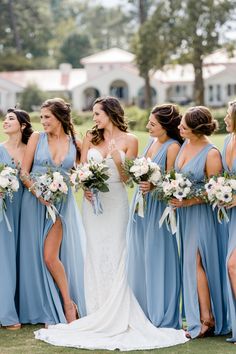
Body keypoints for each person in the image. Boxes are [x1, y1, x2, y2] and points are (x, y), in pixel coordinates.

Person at [35, 97, 188, 350]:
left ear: (111, 113)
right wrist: (84, 185)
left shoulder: (131, 140)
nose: (94, 118)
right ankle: (96, 309)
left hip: (116, 203)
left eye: (97, 113)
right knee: (95, 253)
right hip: (92, 204)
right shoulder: (90, 138)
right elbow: (80, 169)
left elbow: (129, 178)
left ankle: (118, 309)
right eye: (93, 114)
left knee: (117, 253)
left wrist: (118, 156)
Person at [19, 98, 86, 325]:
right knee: (34, 257)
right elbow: (24, 173)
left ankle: (68, 303)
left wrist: (77, 184)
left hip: (60, 206)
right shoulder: (37, 138)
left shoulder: (75, 142)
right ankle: (45, 306)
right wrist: (39, 193)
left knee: (50, 257)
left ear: (60, 117)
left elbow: (80, 175)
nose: (43, 121)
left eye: (47, 117)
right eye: (41, 116)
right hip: (35, 203)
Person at [171, 106, 228, 338]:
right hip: (185, 215)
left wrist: (188, 201)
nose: (179, 128)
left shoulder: (211, 153)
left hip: (202, 214)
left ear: (196, 129)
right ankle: (199, 315)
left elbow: (214, 192)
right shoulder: (185, 144)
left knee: (196, 261)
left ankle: (207, 318)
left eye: (183, 126)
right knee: (190, 261)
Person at [127, 104, 183, 329]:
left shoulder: (172, 147)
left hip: (158, 208)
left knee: (157, 256)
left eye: (152, 124)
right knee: (140, 255)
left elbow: (172, 184)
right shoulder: (151, 142)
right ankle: (143, 309)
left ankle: (162, 311)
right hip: (141, 205)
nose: (147, 126)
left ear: (165, 126)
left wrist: (153, 186)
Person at [0, 108, 33, 330]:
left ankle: (25, 307)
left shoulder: (32, 150)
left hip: (27, 208)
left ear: (22, 125)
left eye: (11, 119)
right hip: (4, 209)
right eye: (5, 119)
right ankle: (6, 313)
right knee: (5, 257)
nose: (5, 121)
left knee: (25, 257)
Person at [222, 100, 236, 343]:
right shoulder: (227, 141)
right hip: (230, 214)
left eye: (227, 114)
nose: (224, 118)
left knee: (232, 265)